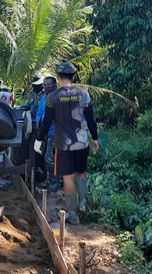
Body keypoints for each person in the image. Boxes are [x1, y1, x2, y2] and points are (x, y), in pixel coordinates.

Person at [34, 62, 99, 224]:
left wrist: (39, 140)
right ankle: (82, 202)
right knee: (81, 173)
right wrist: (95, 138)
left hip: (63, 144)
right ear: (74, 76)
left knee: (68, 178)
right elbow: (91, 118)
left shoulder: (52, 98)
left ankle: (73, 214)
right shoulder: (84, 94)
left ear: (58, 77)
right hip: (82, 142)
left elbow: (46, 122)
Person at [36, 76, 59, 192]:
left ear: (55, 86)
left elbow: (49, 118)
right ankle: (49, 180)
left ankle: (54, 183)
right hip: (45, 131)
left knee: (50, 158)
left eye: (47, 86)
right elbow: (40, 114)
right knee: (46, 157)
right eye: (44, 85)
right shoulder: (44, 98)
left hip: (54, 132)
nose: (45, 88)